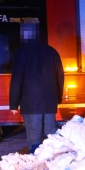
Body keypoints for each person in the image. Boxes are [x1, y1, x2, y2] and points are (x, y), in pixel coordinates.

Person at [9, 19, 64, 154]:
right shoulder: (52, 52)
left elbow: (17, 80)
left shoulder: (21, 53)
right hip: (50, 102)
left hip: (31, 104)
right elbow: (60, 77)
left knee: (34, 137)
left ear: (25, 34)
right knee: (51, 133)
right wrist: (58, 97)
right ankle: (55, 159)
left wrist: (13, 104)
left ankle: (37, 163)